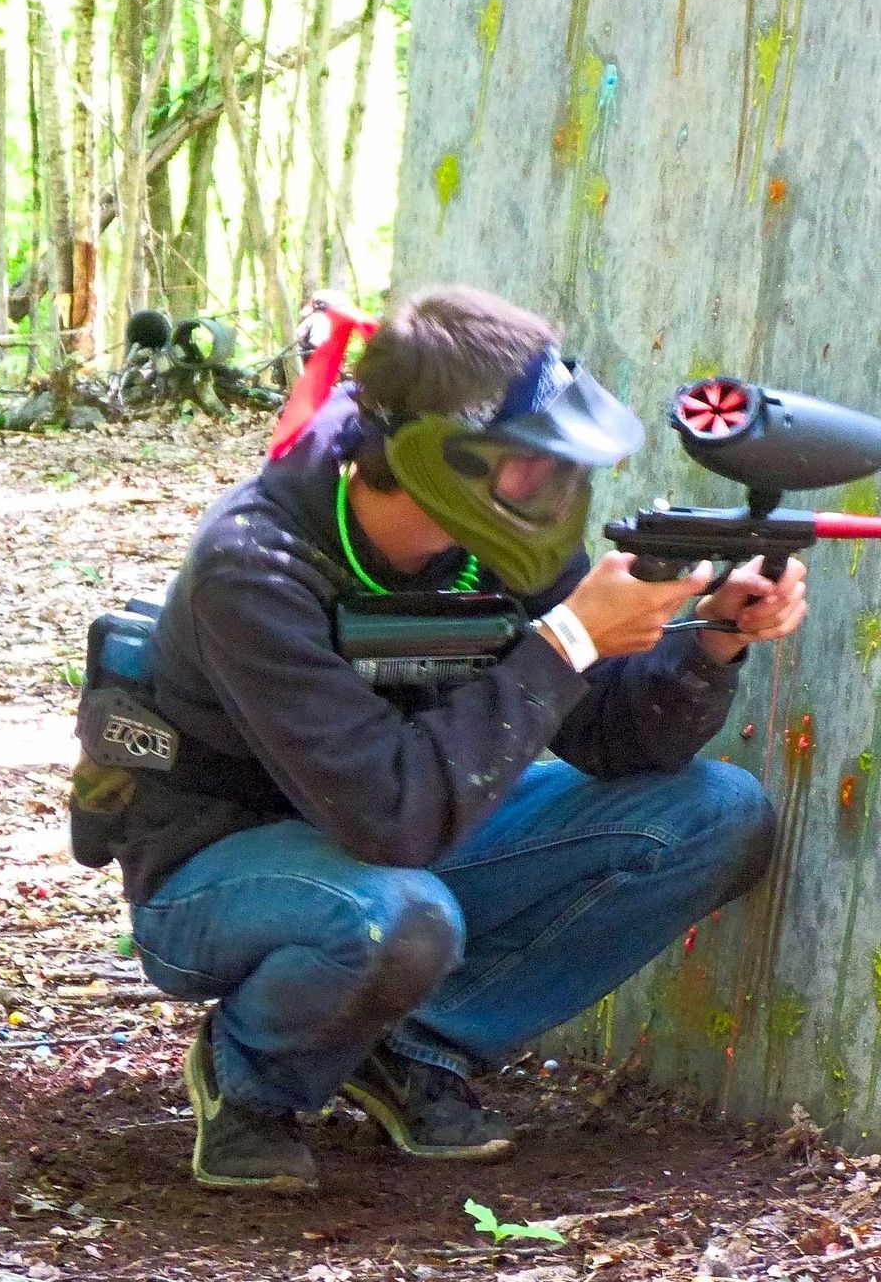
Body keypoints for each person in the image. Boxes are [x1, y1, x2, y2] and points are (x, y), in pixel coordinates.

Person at [98, 286, 806, 1191]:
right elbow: (386, 820)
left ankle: (415, 1045)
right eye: (529, 467)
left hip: (409, 848)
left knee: (713, 814)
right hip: (222, 874)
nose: (551, 488)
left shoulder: (500, 545)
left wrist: (713, 640)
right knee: (395, 916)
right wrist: (570, 641)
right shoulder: (256, 566)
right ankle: (251, 1079)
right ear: (444, 460)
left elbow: (621, 744)